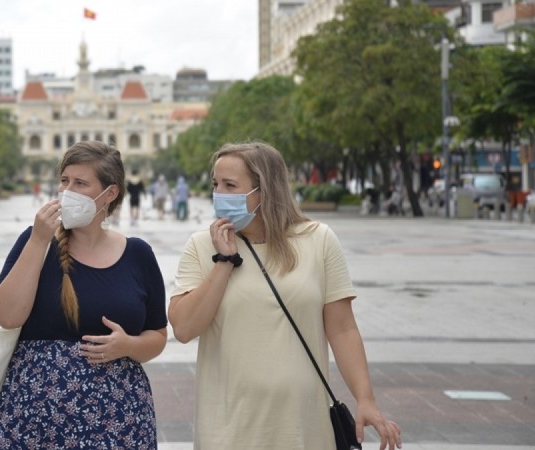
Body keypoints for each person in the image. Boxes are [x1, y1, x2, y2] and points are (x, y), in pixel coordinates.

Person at [168, 142, 402, 450]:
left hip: (304, 426)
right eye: (216, 185)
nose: (219, 195)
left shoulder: (318, 240)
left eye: (230, 185)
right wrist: (224, 261)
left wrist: (365, 398)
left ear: (264, 191)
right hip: (228, 428)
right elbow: (184, 328)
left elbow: (342, 328)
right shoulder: (201, 246)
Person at [0, 141, 168, 449]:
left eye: (80, 183)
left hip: (118, 417)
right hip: (35, 418)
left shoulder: (138, 254)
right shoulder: (36, 242)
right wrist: (38, 240)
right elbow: (7, 315)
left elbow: (158, 336)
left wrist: (128, 345)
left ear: (109, 194)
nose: (67, 191)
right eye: (64, 181)